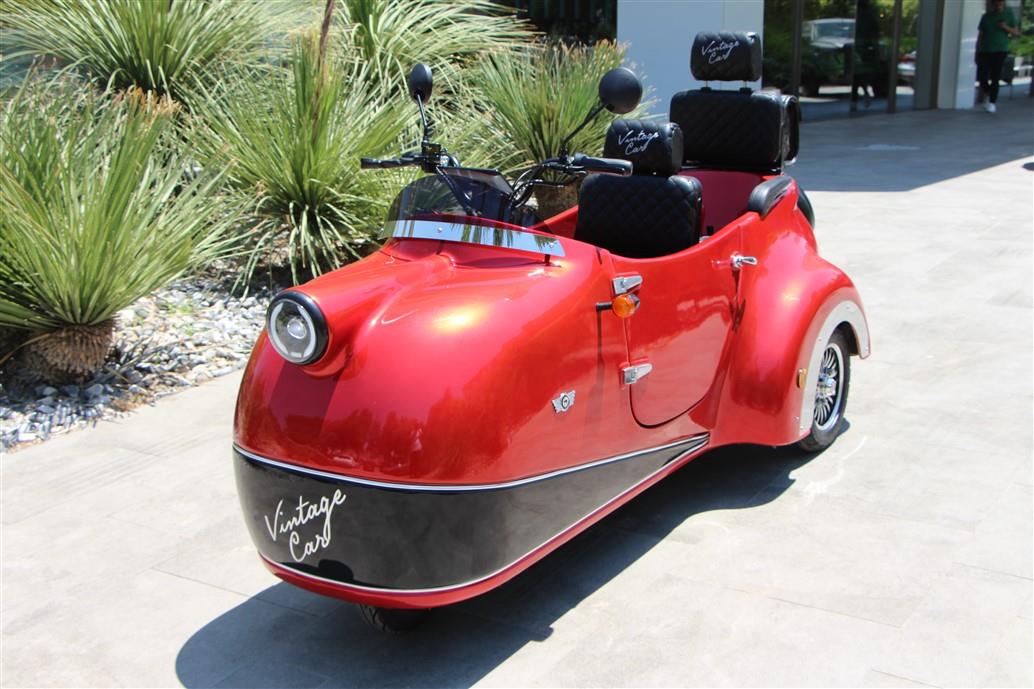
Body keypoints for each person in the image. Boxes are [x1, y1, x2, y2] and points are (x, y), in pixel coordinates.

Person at [976, 0, 1020, 113]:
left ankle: (992, 102)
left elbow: (1016, 33)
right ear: (992, 4)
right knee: (982, 75)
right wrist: (977, 50)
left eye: (1000, 3)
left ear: (1003, 3)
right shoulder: (986, 17)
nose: (998, 5)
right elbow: (980, 35)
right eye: (996, 3)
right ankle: (987, 92)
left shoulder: (1008, 14)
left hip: (1000, 50)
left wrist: (1005, 27)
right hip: (985, 50)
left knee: (995, 76)